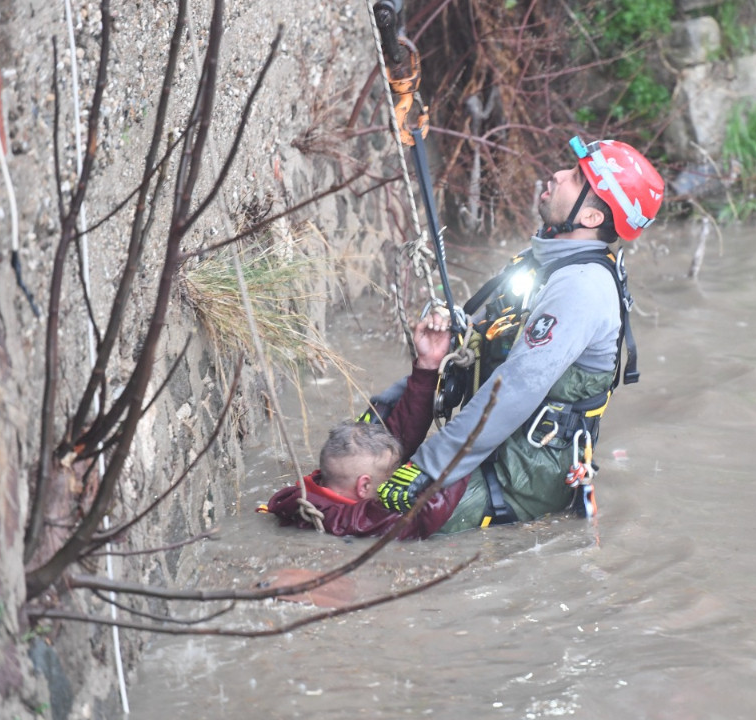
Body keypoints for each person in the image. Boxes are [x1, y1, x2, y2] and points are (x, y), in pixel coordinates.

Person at [371, 136, 666, 534]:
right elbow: (477, 344)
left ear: (592, 217)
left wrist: (429, 467)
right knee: (349, 468)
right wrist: (400, 395)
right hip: (492, 451)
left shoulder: (582, 287)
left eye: (577, 178)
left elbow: (514, 388)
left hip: (522, 481)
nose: (558, 174)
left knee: (378, 521)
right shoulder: (542, 264)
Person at [264, 313, 472, 539]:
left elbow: (394, 441)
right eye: (392, 476)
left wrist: (428, 365)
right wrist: (472, 440)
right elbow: (423, 515)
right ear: (363, 486)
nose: (397, 477)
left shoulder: (304, 494)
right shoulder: (353, 522)